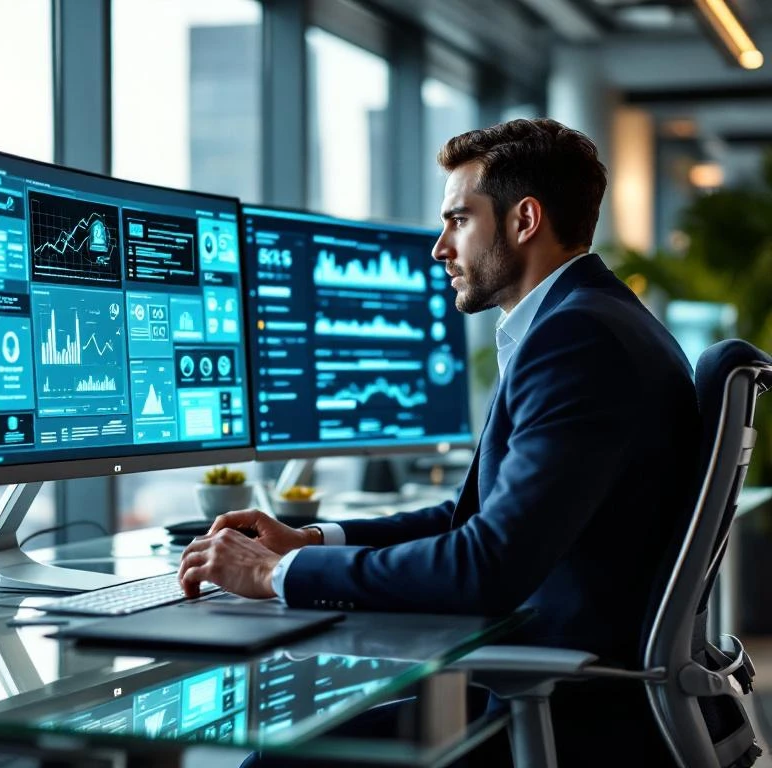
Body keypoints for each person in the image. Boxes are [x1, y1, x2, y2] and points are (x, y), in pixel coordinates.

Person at [179, 118, 700, 766]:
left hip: (569, 716)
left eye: (458, 220)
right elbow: (477, 516)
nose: (438, 248)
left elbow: (485, 566)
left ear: (524, 219)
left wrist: (273, 574)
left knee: (272, 755)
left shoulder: (578, 343)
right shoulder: (593, 320)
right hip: (573, 687)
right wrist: (312, 541)